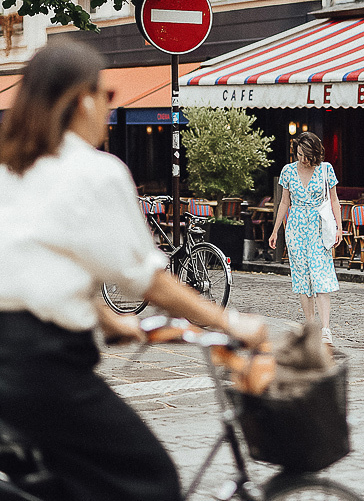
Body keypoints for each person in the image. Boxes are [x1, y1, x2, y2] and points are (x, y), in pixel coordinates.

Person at [0, 41, 264, 501]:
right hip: (42, 364)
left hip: (11, 359)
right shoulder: (94, 172)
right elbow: (150, 281)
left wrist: (112, 321)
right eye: (109, 95)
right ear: (84, 99)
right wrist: (231, 321)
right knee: (150, 481)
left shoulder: (9, 171)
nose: (108, 108)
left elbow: (43, 267)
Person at [268, 132, 341, 346]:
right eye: (299, 154)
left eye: (306, 155)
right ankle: (311, 327)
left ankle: (326, 329)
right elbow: (284, 203)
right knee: (302, 278)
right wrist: (275, 231)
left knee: (321, 275)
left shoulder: (326, 169)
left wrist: (339, 227)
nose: (302, 159)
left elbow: (335, 200)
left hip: (319, 226)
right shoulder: (288, 171)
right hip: (296, 227)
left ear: (315, 153)